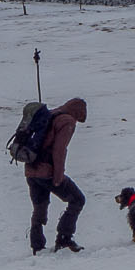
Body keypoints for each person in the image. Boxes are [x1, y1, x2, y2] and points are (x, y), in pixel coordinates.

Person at [25, 96, 87, 253]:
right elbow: (59, 150)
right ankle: (64, 238)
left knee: (39, 206)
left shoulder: (52, 114)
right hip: (47, 171)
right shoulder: (67, 121)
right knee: (77, 200)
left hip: (31, 168)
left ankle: (37, 246)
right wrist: (58, 176)